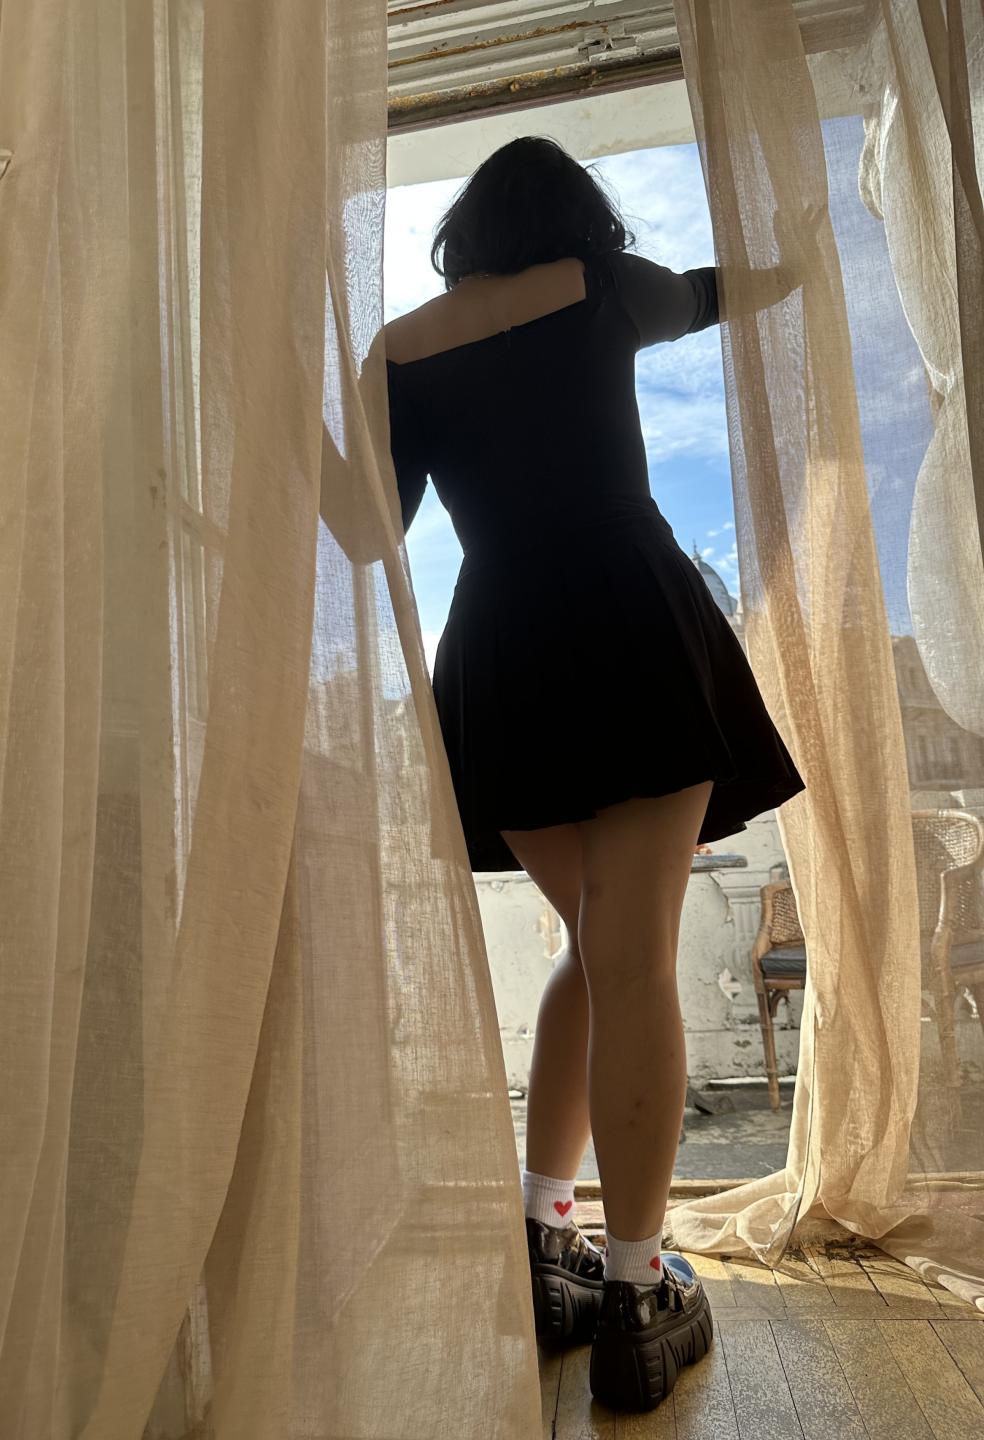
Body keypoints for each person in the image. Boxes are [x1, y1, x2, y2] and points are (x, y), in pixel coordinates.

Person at [383, 136, 808, 1414]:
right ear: (580, 214)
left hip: (499, 653)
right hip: (630, 623)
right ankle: (636, 1293)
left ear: (464, 231)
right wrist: (802, 266)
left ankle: (541, 1241)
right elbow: (716, 292)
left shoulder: (400, 346)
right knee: (631, 960)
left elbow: (366, 527)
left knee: (594, 944)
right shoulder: (606, 285)